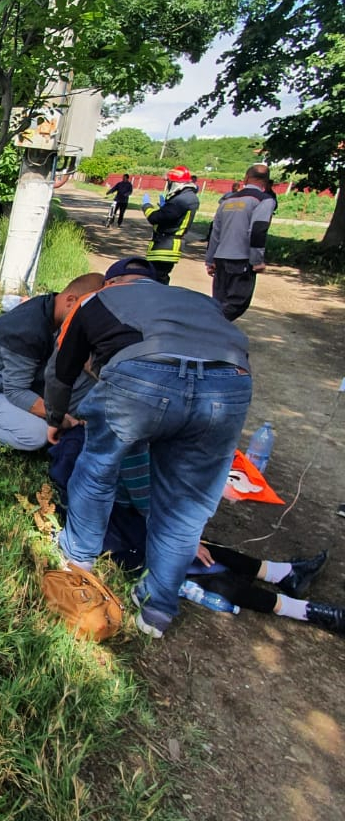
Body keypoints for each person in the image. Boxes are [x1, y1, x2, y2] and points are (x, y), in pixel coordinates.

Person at [45, 256, 252, 638]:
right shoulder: (199, 302)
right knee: (184, 505)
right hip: (228, 386)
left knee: (98, 471)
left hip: (146, 379)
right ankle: (157, 609)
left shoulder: (96, 302)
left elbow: (63, 370)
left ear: (110, 284)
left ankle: (79, 562)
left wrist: (55, 418)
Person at [48, 431, 342, 632]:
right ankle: (302, 610)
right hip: (114, 533)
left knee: (201, 549)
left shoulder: (134, 432)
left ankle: (283, 574)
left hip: (122, 517)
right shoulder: (132, 445)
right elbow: (148, 504)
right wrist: (183, 538)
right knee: (206, 572)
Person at [0, 272, 106, 450]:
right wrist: (60, 418)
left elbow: (84, 358)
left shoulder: (54, 308)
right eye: (89, 315)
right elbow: (16, 392)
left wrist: (109, 378)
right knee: (37, 435)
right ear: (71, 301)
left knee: (91, 384)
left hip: (21, 381)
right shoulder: (27, 330)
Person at [204, 163, 278, 321]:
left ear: (246, 178)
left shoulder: (228, 200)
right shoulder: (264, 200)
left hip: (221, 258)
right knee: (236, 304)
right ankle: (205, 327)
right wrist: (257, 260)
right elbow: (258, 229)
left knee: (219, 303)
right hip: (241, 259)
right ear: (266, 181)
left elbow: (215, 232)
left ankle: (211, 332)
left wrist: (210, 260)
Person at [141, 166, 200, 282]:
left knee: (156, 280)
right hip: (166, 245)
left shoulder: (181, 200)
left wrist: (146, 206)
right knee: (157, 277)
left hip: (165, 247)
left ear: (175, 183)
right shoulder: (186, 197)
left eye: (168, 182)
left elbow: (155, 218)